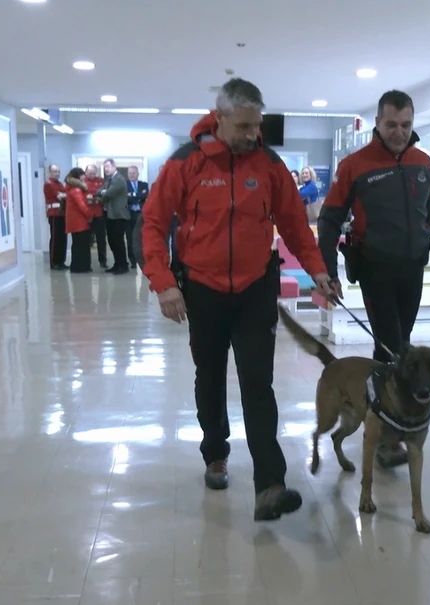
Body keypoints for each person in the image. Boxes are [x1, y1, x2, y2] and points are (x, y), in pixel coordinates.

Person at [142, 78, 334, 522]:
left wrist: (318, 269)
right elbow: (153, 223)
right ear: (220, 116)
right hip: (202, 290)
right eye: (244, 126)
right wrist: (164, 282)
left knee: (257, 384)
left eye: (257, 126)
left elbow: (294, 225)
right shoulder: (186, 162)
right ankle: (215, 453)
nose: (252, 135)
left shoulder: (267, 164)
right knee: (209, 379)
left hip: (255, 289)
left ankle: (270, 484)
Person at [317, 89, 430, 469]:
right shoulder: (356, 165)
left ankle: (388, 421)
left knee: (399, 347)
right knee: (390, 347)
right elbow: (330, 219)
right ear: (378, 124)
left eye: (405, 125)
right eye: (391, 125)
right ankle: (387, 438)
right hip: (375, 267)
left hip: (412, 267)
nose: (399, 132)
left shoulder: (422, 163)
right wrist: (327, 271)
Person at [97, 158, 130, 275]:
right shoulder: (109, 180)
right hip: (110, 215)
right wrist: (103, 192)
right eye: (105, 167)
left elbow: (108, 193)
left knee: (118, 241)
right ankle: (117, 264)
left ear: (114, 167)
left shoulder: (119, 180)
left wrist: (103, 192)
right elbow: (99, 191)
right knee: (112, 241)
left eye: (108, 166)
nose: (106, 169)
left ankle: (123, 265)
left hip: (118, 215)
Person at [64, 167, 93, 273]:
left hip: (74, 222)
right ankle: (82, 267)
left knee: (77, 244)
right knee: (82, 245)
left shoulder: (72, 189)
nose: (84, 177)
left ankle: (77, 266)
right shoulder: (76, 190)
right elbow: (82, 206)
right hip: (80, 222)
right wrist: (90, 215)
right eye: (82, 175)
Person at [43, 164, 68, 270]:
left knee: (63, 238)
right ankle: (54, 262)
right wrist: (67, 195)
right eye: (55, 171)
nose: (57, 173)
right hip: (54, 213)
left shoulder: (60, 184)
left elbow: (65, 194)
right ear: (50, 172)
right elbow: (60, 196)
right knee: (55, 239)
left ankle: (61, 261)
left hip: (62, 213)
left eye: (58, 171)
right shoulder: (48, 184)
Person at [126, 165, 149, 270]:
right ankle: (133, 261)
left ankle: (144, 259)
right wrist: (137, 196)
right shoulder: (124, 185)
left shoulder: (144, 184)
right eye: (130, 173)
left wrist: (132, 195)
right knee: (130, 238)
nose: (132, 175)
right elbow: (127, 199)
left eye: (133, 173)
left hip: (141, 214)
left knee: (142, 237)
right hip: (129, 214)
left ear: (137, 174)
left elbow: (144, 196)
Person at [84, 164, 107, 268]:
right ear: (86, 173)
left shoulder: (101, 181)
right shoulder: (82, 182)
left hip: (99, 214)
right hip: (86, 214)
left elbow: (103, 193)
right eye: (90, 173)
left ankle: (103, 261)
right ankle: (87, 262)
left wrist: (93, 195)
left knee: (101, 239)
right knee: (87, 240)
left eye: (94, 173)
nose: (92, 175)